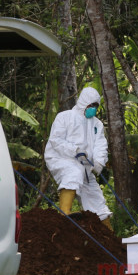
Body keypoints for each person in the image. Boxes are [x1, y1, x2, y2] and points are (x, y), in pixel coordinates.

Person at [44, 87, 113, 229]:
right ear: (84, 103)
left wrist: (99, 162)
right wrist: (75, 150)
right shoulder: (65, 117)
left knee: (96, 196)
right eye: (91, 105)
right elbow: (55, 140)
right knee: (73, 172)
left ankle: (109, 235)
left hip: (85, 166)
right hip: (62, 158)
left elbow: (101, 145)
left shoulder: (97, 124)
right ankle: (64, 213)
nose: (93, 109)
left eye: (96, 106)